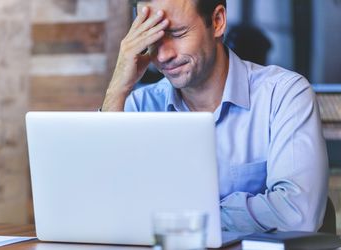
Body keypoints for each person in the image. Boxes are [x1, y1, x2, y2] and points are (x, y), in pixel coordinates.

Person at [101, 0, 328, 233]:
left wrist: (180, 219)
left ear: (218, 22)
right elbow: (102, 206)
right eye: (152, 40)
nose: (163, 56)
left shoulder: (284, 95)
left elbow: (297, 214)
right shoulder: (140, 106)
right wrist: (117, 88)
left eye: (177, 33)